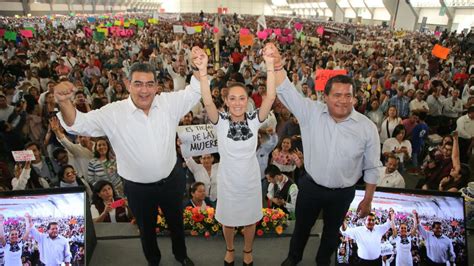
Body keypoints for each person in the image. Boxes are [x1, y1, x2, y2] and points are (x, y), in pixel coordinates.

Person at [55, 59, 202, 265]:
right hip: (137, 188)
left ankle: (181, 255)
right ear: (127, 84)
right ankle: (153, 260)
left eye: (150, 84)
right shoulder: (113, 113)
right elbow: (77, 124)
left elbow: (195, 91)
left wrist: (198, 67)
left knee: (176, 223)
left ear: (157, 86)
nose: (144, 90)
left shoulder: (169, 103)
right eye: (138, 84)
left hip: (172, 181)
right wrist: (63, 101)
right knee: (146, 228)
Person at [273, 49, 382, 266]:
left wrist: (368, 199)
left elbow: (371, 167)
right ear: (326, 96)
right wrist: (276, 65)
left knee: (332, 233)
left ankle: (323, 261)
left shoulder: (367, 128)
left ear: (355, 97)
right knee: (302, 228)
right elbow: (286, 92)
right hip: (311, 187)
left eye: (348, 95)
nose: (343, 101)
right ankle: (293, 258)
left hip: (342, 194)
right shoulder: (310, 113)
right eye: (337, 95)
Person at [195, 43, 276, 266]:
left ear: (247, 100)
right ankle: (230, 249)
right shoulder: (219, 120)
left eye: (242, 98)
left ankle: (248, 251)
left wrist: (269, 65)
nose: (238, 102)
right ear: (227, 101)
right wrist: (203, 72)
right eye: (233, 98)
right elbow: (207, 99)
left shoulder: (254, 119)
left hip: (250, 180)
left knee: (250, 220)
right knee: (228, 221)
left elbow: (269, 97)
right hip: (228, 181)